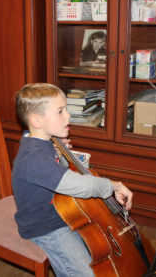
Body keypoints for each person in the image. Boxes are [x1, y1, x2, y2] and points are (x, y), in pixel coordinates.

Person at [12, 83, 133, 277]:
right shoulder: (33, 158)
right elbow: (78, 185)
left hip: (64, 214)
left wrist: (59, 156)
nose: (68, 115)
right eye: (60, 111)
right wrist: (113, 185)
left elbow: (59, 175)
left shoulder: (43, 141)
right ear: (36, 121)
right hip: (47, 228)